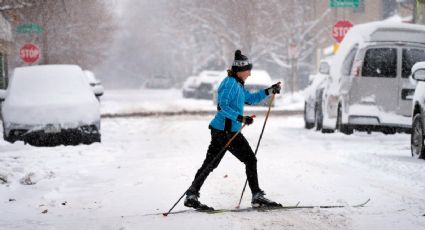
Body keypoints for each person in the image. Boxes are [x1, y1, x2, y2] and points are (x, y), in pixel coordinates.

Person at [184, 50, 282, 211]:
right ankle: (256, 195)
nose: (250, 74)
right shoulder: (229, 84)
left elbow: (250, 99)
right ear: (241, 70)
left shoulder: (237, 84)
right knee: (248, 160)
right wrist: (240, 118)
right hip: (225, 131)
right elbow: (222, 106)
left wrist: (269, 91)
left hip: (226, 131)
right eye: (248, 70)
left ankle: (192, 194)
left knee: (212, 163)